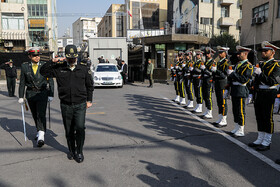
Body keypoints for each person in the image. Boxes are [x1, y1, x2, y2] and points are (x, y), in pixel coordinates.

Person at [40, 45, 94, 163]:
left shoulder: (83, 69)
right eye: (69, 58)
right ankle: (71, 150)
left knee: (80, 128)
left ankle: (79, 151)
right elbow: (43, 72)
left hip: (80, 104)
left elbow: (90, 85)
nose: (71, 60)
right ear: (65, 57)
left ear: (76, 57)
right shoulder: (59, 68)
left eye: (73, 58)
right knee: (69, 130)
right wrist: (52, 61)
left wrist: (89, 100)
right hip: (65, 104)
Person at [18, 47, 54, 147]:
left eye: (38, 55)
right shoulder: (25, 66)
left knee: (41, 114)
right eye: (34, 56)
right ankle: (39, 130)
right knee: (34, 114)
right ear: (29, 56)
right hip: (30, 93)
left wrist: (51, 94)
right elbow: (22, 82)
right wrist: (21, 96)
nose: (37, 57)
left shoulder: (44, 65)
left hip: (42, 93)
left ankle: (41, 135)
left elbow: (50, 80)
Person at [248, 41, 280, 151]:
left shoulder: (277, 66)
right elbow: (256, 81)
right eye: (263, 51)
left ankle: (267, 141)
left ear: (273, 52)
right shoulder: (261, 64)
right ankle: (260, 138)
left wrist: (260, 74)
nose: (263, 52)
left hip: (269, 93)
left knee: (267, 117)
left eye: (266, 51)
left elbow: (272, 81)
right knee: (259, 116)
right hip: (259, 93)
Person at [225, 46, 253, 137]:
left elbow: (244, 79)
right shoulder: (238, 64)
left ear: (245, 54)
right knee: (235, 110)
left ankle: (241, 129)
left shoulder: (248, 66)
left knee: (241, 110)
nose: (238, 56)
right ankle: (236, 127)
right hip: (235, 89)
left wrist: (232, 74)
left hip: (241, 90)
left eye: (240, 53)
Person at [211, 46, 230, 127]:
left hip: (223, 84)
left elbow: (224, 75)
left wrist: (216, 71)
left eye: (221, 52)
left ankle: (224, 120)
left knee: (223, 103)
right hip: (218, 83)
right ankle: (220, 118)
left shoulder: (227, 62)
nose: (219, 54)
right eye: (219, 52)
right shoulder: (219, 62)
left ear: (225, 53)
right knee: (219, 102)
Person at [200, 47, 216, 119]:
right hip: (204, 80)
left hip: (209, 80)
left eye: (208, 54)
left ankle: (210, 112)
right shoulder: (206, 62)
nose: (207, 55)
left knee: (208, 97)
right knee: (205, 96)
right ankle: (207, 110)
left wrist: (204, 69)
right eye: (206, 54)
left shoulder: (213, 62)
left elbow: (211, 73)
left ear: (211, 54)